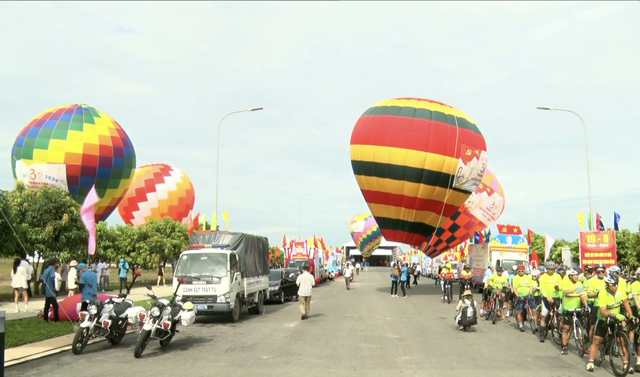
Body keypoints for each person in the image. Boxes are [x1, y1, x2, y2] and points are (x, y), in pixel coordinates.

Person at [586, 273, 634, 372]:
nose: (616, 286)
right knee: (597, 341)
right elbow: (603, 312)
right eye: (613, 285)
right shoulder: (602, 293)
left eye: (616, 284)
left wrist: (631, 315)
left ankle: (626, 365)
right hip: (604, 319)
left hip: (616, 319)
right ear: (608, 284)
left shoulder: (619, 290)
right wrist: (615, 315)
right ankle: (590, 362)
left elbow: (625, 303)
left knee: (621, 342)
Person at [560, 268, 588, 355]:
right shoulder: (566, 282)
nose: (577, 276)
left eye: (577, 275)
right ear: (571, 276)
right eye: (575, 275)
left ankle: (582, 346)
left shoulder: (580, 283)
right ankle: (565, 346)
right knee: (566, 328)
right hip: (568, 309)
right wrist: (575, 288)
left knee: (579, 329)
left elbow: (582, 295)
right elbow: (565, 291)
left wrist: (586, 305)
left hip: (577, 309)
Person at [538, 260, 562, 342]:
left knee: (560, 315)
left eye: (553, 269)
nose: (551, 271)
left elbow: (561, 286)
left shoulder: (558, 276)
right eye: (549, 269)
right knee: (544, 316)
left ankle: (560, 332)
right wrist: (547, 296)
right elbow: (541, 288)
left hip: (557, 297)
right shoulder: (543, 277)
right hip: (547, 298)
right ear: (547, 269)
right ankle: (541, 335)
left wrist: (558, 288)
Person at [586, 263, 607, 344]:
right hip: (597, 306)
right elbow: (589, 294)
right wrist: (597, 294)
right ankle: (592, 344)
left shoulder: (608, 279)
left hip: (607, 306)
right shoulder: (592, 281)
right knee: (593, 326)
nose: (601, 273)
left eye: (603, 271)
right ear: (595, 272)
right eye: (599, 272)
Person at [513, 264, 537, 332]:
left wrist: (531, 293)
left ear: (524, 271)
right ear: (518, 271)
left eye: (522, 271)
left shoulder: (528, 277)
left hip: (528, 295)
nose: (521, 272)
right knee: (520, 311)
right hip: (521, 296)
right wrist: (518, 296)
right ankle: (521, 324)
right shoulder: (516, 278)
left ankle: (535, 324)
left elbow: (530, 286)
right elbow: (514, 288)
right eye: (519, 271)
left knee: (534, 310)